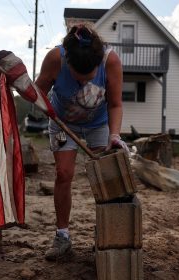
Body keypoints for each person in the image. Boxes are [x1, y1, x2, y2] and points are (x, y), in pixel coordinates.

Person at [34, 24, 129, 261]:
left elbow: (115, 103)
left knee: (106, 177)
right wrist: (42, 106)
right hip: (62, 121)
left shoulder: (111, 61)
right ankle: (62, 236)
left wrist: (114, 135)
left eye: (90, 77)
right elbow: (38, 92)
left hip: (99, 124)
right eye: (79, 77)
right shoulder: (55, 58)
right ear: (68, 63)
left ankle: (105, 234)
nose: (85, 81)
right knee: (64, 173)